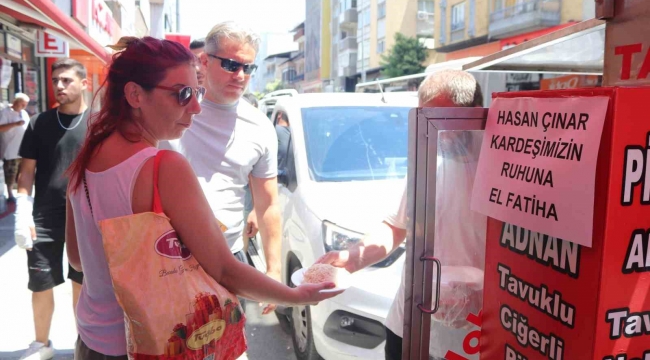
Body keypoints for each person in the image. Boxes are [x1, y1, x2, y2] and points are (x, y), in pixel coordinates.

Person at [64, 36, 341, 359]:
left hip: (92, 342)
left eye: (196, 92)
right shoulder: (162, 167)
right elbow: (224, 270)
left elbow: (77, 259)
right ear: (135, 95)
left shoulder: (83, 160)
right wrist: (296, 295)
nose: (196, 106)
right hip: (152, 346)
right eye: (183, 94)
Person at [318, 69, 486, 360]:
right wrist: (350, 259)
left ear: (473, 114)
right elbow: (396, 227)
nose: (431, 130)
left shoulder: (504, 169)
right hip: (409, 323)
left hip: (470, 334)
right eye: (423, 118)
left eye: (440, 120)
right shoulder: (429, 159)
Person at [163, 22, 281, 314]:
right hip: (167, 258)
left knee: (228, 348)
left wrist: (274, 270)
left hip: (228, 257)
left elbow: (268, 205)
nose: (240, 75)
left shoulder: (261, 127)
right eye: (230, 64)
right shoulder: (171, 110)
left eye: (248, 67)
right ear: (204, 61)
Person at [15, 58, 88, 359]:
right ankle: (41, 344)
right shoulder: (39, 123)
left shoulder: (100, 123)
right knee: (40, 282)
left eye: (67, 80)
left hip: (87, 218)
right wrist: (22, 208)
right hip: (44, 216)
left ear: (84, 83)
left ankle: (85, 344)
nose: (59, 85)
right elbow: (27, 170)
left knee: (81, 285)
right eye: (56, 79)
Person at [0, 93, 30, 201]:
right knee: (10, 172)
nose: (24, 107)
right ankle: (10, 194)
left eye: (25, 105)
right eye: (22, 104)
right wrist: (15, 124)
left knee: (22, 172)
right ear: (15, 102)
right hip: (10, 149)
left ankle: (21, 192)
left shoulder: (24, 113)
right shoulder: (5, 113)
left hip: (23, 149)